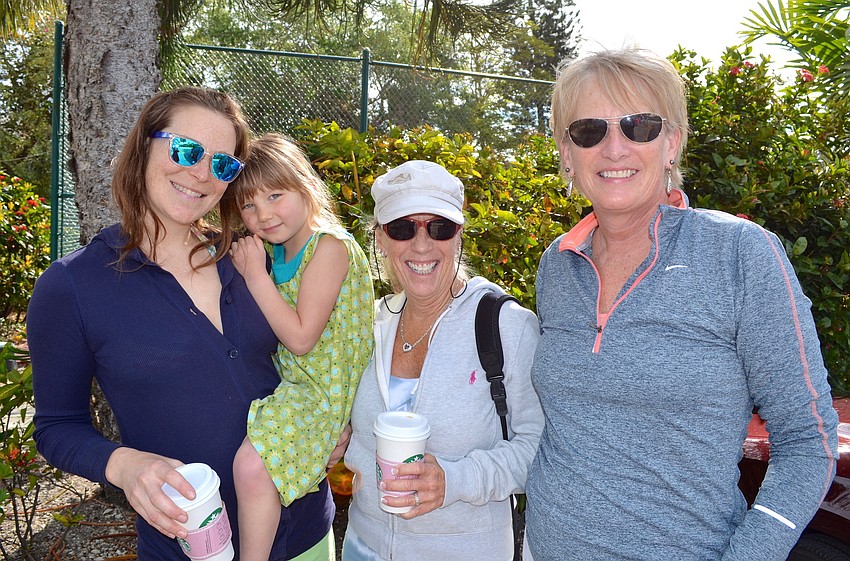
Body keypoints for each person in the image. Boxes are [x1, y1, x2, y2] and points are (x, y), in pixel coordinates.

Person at [526, 48, 840, 561]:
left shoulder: (740, 254)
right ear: (566, 152)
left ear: (671, 143)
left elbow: (809, 441)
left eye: (639, 126)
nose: (614, 147)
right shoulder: (556, 266)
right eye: (588, 131)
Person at [27, 87, 336, 560]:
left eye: (222, 164)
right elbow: (56, 426)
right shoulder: (72, 286)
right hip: (187, 544)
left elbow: (320, 350)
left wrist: (341, 422)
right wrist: (124, 465)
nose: (200, 174)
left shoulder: (251, 256)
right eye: (186, 149)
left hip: (308, 531)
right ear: (143, 146)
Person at [341, 159, 544, 561]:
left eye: (439, 227)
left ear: (459, 234)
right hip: (363, 546)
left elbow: (538, 449)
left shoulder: (506, 326)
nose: (421, 245)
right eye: (402, 228)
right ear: (380, 238)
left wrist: (453, 480)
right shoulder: (367, 324)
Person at [223, 133, 374, 561]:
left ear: (306, 187)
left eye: (275, 195)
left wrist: (255, 276)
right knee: (254, 469)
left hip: (324, 391)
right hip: (303, 384)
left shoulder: (328, 246)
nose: (263, 214)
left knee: (252, 467)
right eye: (249, 205)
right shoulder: (280, 252)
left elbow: (303, 337)